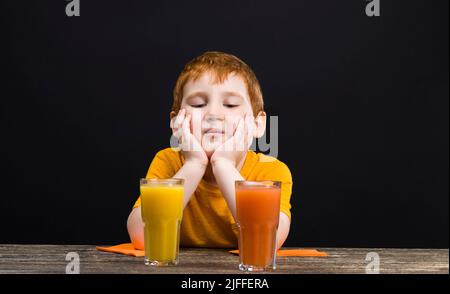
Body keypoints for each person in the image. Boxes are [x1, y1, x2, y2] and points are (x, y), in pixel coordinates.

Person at [127, 51, 293, 249]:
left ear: (258, 124)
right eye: (198, 104)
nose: (214, 114)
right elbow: (141, 237)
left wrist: (223, 165)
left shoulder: (271, 171)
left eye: (230, 104)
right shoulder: (167, 162)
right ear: (175, 122)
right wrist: (194, 164)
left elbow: (267, 241)